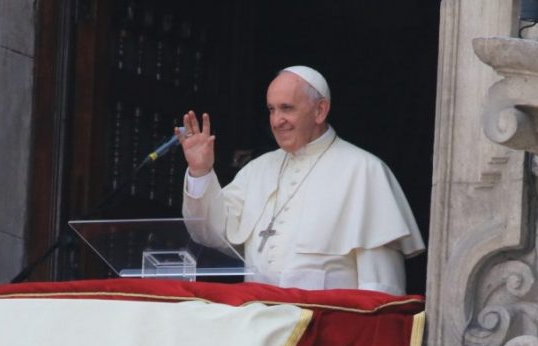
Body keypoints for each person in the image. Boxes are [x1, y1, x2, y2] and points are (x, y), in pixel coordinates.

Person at [177, 65, 424, 294]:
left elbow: (380, 285)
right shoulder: (257, 170)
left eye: (287, 108)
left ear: (320, 110)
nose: (276, 121)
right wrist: (201, 172)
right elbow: (209, 233)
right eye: (271, 109)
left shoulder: (365, 170)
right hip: (258, 316)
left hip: (328, 322)